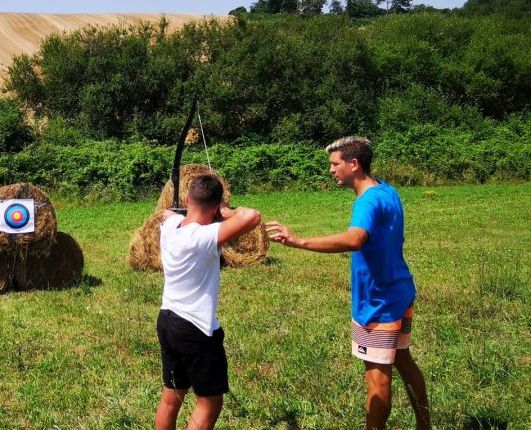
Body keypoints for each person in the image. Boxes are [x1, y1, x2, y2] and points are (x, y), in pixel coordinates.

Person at [266, 136, 430, 430]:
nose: (331, 170)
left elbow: (356, 239)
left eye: (335, 163)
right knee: (404, 361)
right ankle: (424, 425)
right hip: (399, 292)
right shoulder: (386, 190)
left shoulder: (367, 201)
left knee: (377, 381)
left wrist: (299, 241)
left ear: (353, 164)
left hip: (378, 304)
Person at [156, 174, 262, 430]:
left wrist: (185, 210)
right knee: (209, 403)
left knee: (171, 398)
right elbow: (253, 216)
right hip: (195, 329)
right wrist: (226, 210)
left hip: (167, 320)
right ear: (216, 205)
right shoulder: (203, 236)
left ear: (186, 199)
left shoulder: (171, 227)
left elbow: (167, 214)